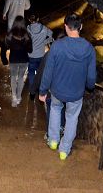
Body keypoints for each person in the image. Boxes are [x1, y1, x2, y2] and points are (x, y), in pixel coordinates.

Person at [39, 14, 96, 160]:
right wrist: (89, 86)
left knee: (55, 110)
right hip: (76, 92)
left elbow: (48, 71)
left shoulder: (57, 46)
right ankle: (64, 150)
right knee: (71, 118)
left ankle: (53, 140)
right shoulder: (89, 48)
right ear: (80, 27)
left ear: (65, 27)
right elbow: (91, 75)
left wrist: (43, 90)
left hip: (58, 90)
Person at [1, 16, 33, 107]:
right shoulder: (27, 35)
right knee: (20, 78)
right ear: (24, 24)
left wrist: (4, 60)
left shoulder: (9, 35)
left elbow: (3, 48)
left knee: (13, 78)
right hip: (24, 60)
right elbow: (30, 50)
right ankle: (19, 97)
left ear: (14, 23)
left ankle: (14, 97)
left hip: (13, 60)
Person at [27, 14, 53, 101]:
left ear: (29, 20)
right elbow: (51, 36)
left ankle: (32, 92)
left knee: (31, 74)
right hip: (41, 55)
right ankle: (40, 90)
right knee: (40, 73)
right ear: (38, 18)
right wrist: (44, 42)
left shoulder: (28, 29)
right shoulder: (44, 29)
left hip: (31, 55)